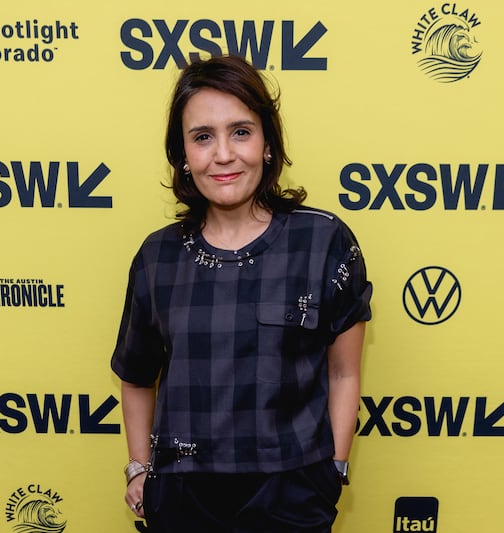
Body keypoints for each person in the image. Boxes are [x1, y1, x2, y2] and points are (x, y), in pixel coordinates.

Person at [110, 54, 372, 533]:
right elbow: (136, 375)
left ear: (268, 144)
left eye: (241, 132)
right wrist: (139, 468)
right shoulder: (158, 256)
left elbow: (343, 372)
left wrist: (332, 469)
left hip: (293, 490)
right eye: (202, 137)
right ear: (183, 155)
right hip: (183, 494)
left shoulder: (323, 241)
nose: (224, 154)